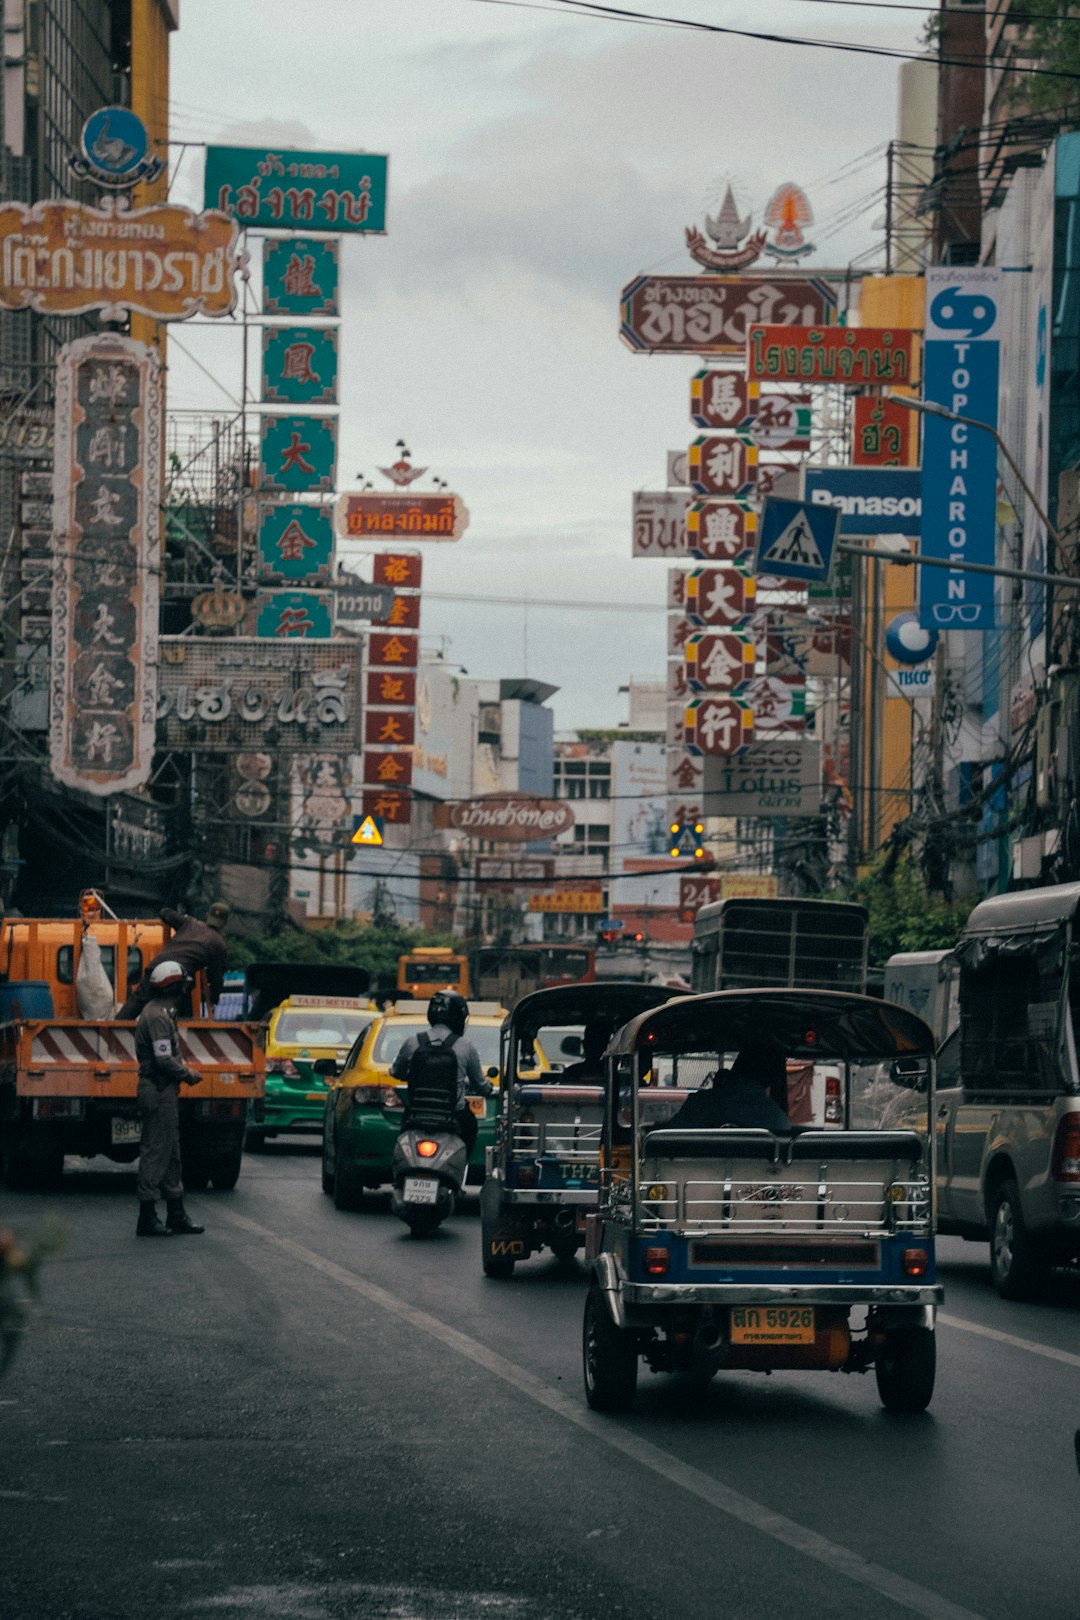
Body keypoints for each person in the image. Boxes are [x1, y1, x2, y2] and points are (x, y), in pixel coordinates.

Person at [134, 960, 206, 1237]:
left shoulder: (162, 1012)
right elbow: (163, 1058)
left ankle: (176, 1213)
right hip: (158, 1089)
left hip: (164, 1090)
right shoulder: (157, 1016)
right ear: (175, 986)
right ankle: (147, 1216)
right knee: (155, 1152)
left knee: (172, 1154)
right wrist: (188, 1074)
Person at [390, 990, 493, 1161]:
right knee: (471, 1125)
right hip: (454, 1115)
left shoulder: (412, 1041)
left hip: (416, 1114)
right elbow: (481, 1085)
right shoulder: (466, 1046)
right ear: (460, 1017)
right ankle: (461, 1167)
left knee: (403, 1135)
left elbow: (396, 1072)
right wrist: (488, 1088)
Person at [118, 901, 230, 1020]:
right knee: (183, 1007)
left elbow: (165, 912)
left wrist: (172, 915)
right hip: (179, 976)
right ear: (225, 922)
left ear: (208, 915)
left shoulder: (189, 922)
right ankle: (186, 1028)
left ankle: (114, 1027)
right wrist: (214, 998)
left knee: (138, 1000)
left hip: (158, 966)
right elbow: (215, 977)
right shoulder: (219, 944)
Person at [669, 1036, 791, 1132]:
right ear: (769, 1079)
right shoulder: (777, 1119)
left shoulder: (698, 1104)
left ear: (736, 1068)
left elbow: (670, 1140)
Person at [557, 1019, 608, 1083]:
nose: (594, 1046)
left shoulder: (572, 1071)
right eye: (591, 1042)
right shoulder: (571, 1072)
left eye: (599, 1043)